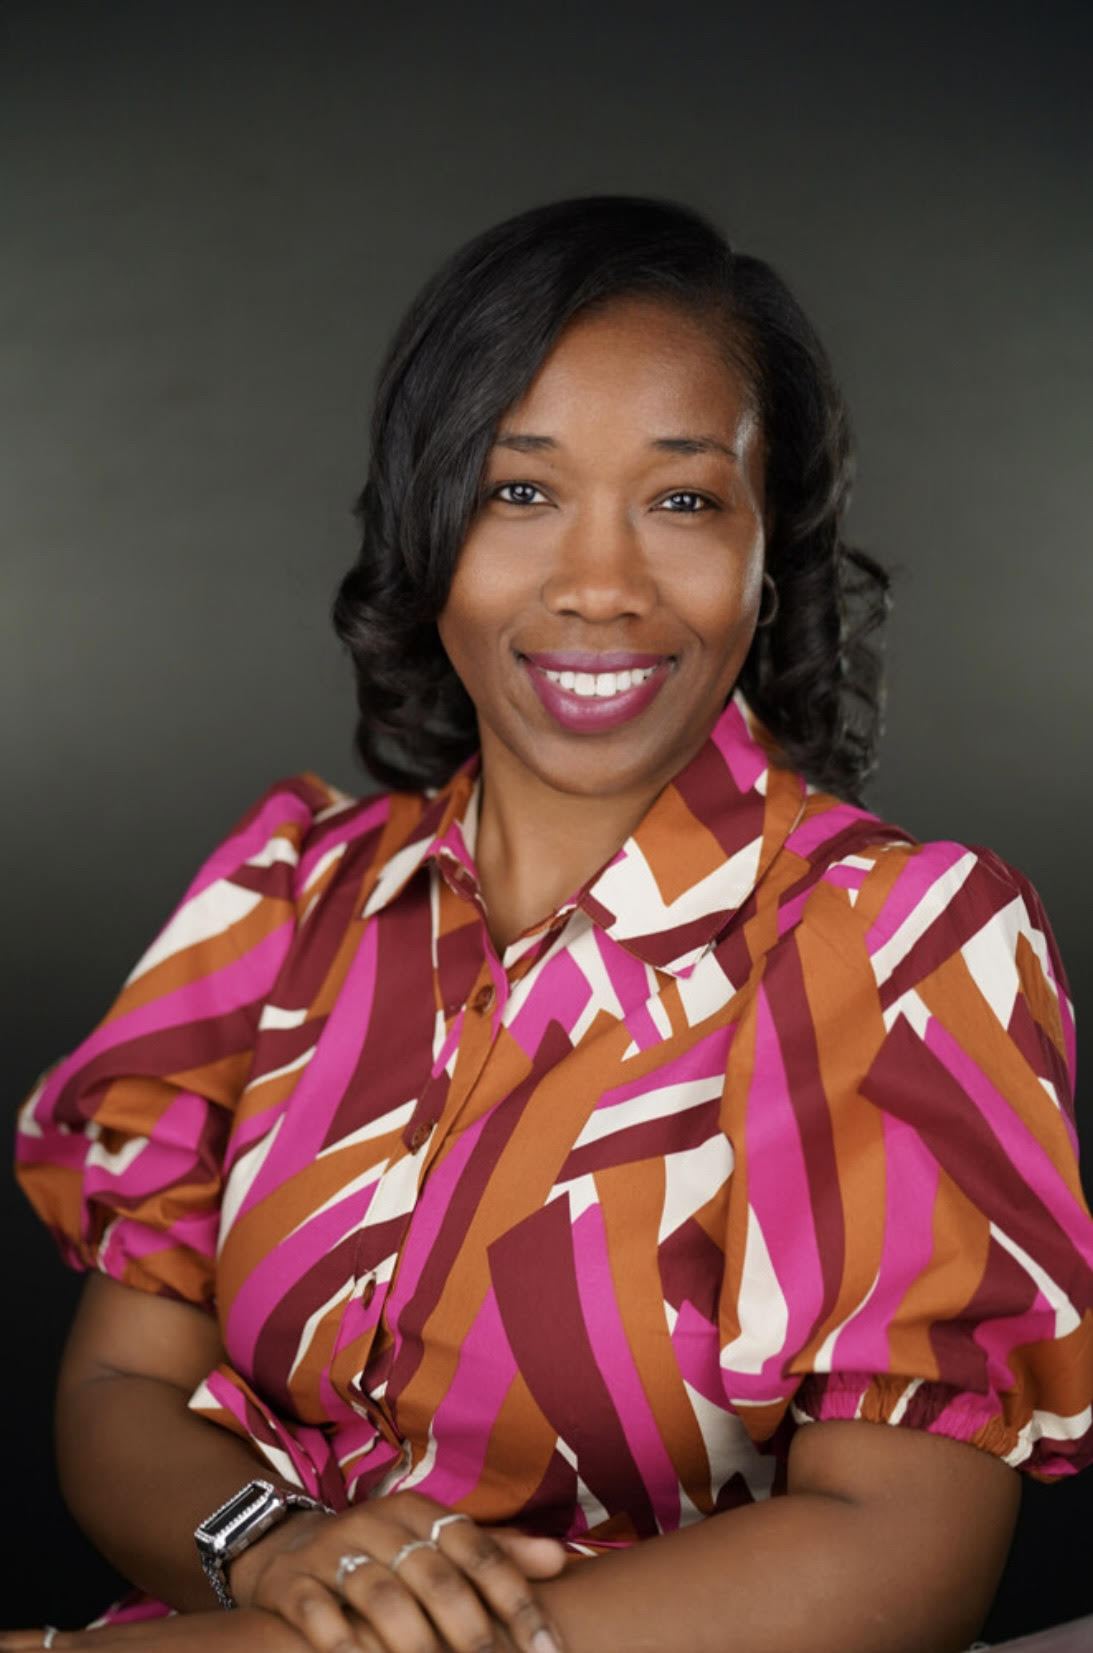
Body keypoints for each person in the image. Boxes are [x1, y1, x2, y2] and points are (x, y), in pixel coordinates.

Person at [8, 196, 1093, 1653]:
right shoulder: (289, 901)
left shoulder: (897, 942)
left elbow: (895, 1554)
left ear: (770, 550)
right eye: (518, 492)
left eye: (683, 500)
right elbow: (122, 1386)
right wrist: (270, 1548)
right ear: (426, 529)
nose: (599, 585)